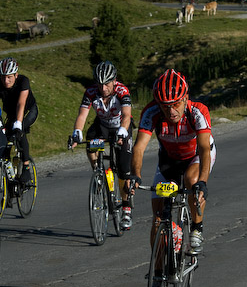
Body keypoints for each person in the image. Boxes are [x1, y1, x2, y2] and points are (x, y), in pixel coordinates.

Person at [127, 69, 216, 255]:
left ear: (185, 98)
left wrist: (203, 181)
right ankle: (157, 276)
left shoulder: (198, 111)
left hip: (195, 156)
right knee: (158, 218)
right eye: (165, 105)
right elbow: (139, 148)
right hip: (169, 159)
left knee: (191, 180)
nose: (171, 111)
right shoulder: (152, 112)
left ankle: (196, 227)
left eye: (175, 104)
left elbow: (204, 149)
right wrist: (135, 175)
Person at [71, 61, 133, 229]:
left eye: (107, 83)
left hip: (121, 126)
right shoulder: (91, 92)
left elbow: (127, 115)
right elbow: (82, 115)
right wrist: (77, 132)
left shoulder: (122, 91)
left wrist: (122, 130)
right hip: (102, 125)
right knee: (90, 142)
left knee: (123, 169)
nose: (103, 88)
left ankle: (126, 208)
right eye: (100, 84)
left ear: (114, 80)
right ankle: (98, 172)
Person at [0, 57, 38, 183]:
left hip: (28, 111)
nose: (6, 80)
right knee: (6, 139)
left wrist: (18, 125)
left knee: (20, 133)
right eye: (3, 77)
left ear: (16, 75)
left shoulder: (23, 81)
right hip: (11, 113)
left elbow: (21, 104)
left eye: (9, 77)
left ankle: (26, 167)